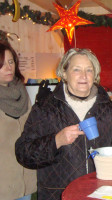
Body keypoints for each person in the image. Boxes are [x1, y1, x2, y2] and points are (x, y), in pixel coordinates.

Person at [15, 48, 112, 200]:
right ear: (64, 73)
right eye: (77, 69)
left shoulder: (107, 108)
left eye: (89, 70)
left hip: (101, 193)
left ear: (94, 75)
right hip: (58, 195)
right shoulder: (46, 108)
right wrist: (56, 141)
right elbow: (24, 153)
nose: (84, 76)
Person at [0, 42, 37, 200]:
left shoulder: (22, 92)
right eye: (1, 65)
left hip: (25, 178)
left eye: (11, 62)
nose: (9, 68)